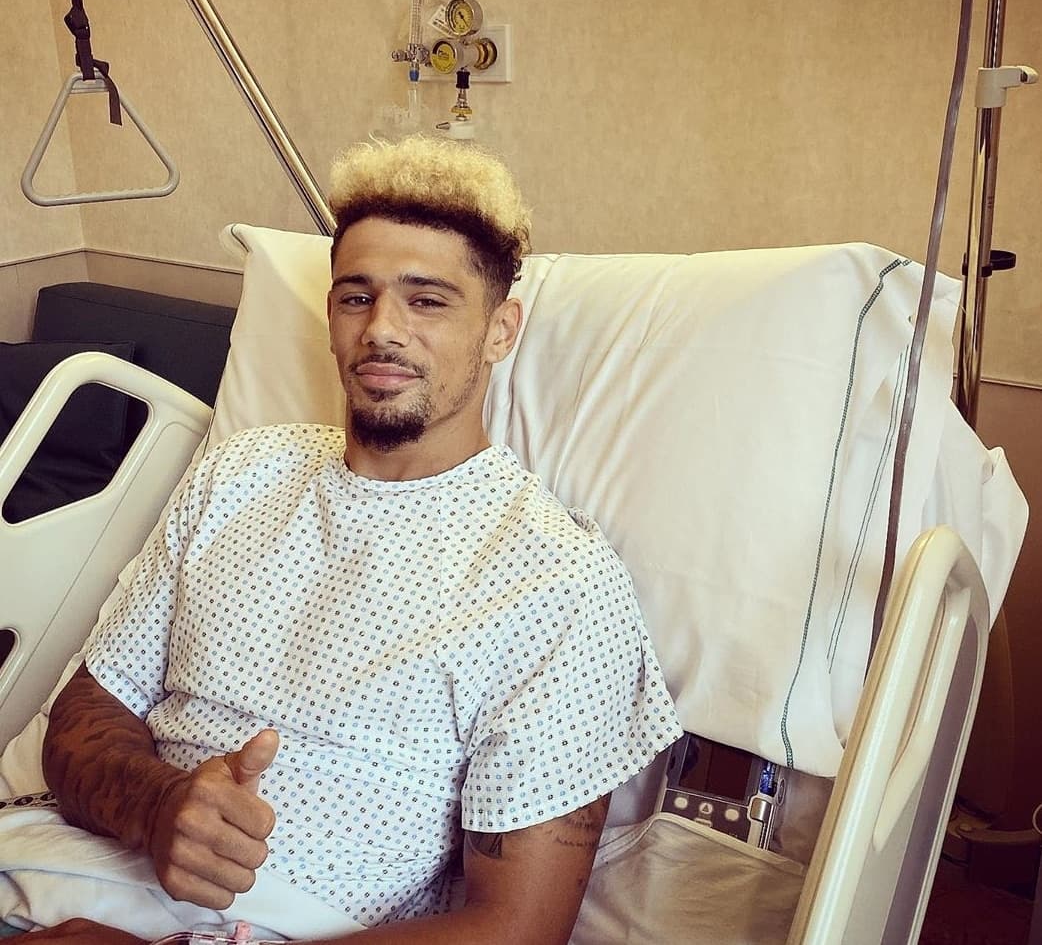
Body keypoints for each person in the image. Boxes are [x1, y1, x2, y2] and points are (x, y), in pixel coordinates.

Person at [34, 135, 682, 944]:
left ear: (500, 330)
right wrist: (158, 805)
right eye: (356, 296)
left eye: (428, 301)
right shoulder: (238, 474)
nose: (382, 329)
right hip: (56, 866)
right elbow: (87, 711)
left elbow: (516, 929)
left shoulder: (555, 583)